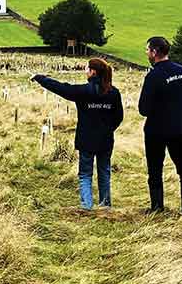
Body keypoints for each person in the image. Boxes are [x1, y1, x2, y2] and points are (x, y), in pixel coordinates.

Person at [31, 58, 124, 209]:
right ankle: (105, 206)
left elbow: (61, 88)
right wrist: (107, 129)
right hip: (106, 140)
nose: (85, 71)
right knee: (104, 172)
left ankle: (87, 207)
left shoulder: (83, 91)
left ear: (93, 72)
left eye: (87, 68)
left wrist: (41, 79)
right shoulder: (114, 93)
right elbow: (118, 117)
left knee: (85, 174)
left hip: (86, 139)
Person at [138, 35, 182, 216]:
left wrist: (161, 109)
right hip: (179, 128)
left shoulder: (153, 76)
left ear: (155, 52)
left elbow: (143, 109)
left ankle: (157, 208)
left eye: (148, 50)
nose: (147, 53)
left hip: (155, 131)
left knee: (155, 169)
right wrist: (177, 108)